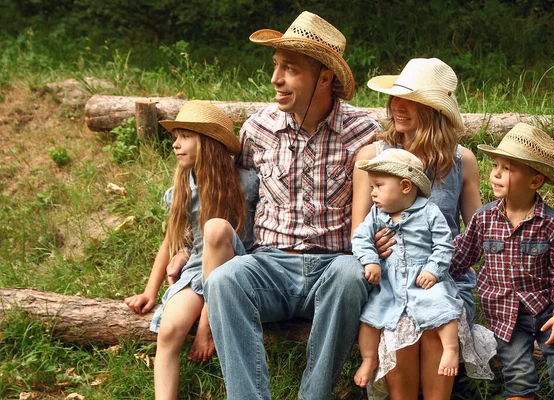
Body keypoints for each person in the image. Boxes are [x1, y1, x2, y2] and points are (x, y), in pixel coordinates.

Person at [203, 11, 380, 400]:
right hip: (268, 264)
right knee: (223, 280)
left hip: (334, 267)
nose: (275, 79)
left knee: (351, 274)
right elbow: (238, 195)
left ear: (324, 77)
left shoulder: (363, 132)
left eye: (290, 69)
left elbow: (385, 203)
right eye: (276, 66)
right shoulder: (257, 128)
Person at [352, 57, 496, 399]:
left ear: (435, 109)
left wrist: (442, 265)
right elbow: (360, 228)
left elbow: (478, 233)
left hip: (442, 276)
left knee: (435, 320)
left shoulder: (462, 160)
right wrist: (378, 250)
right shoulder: (373, 156)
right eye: (396, 97)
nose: (398, 107)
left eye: (412, 101)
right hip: (389, 276)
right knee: (399, 322)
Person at [124, 100, 258, 400]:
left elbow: (243, 245)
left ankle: (207, 328)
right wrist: (149, 290)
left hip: (235, 268)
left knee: (216, 233)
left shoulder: (246, 184)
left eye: (185, 137)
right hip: (197, 272)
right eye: (176, 137)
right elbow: (169, 241)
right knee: (169, 330)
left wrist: (204, 323)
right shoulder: (183, 189)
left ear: (209, 143)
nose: (175, 144)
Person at [451, 123, 554, 400]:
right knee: (518, 374)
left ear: (535, 181)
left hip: (547, 311)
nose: (497, 173)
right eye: (496, 165)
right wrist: (431, 266)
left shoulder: (551, 224)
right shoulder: (483, 219)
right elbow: (460, 257)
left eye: (508, 168)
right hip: (505, 316)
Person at [352, 148, 463, 389]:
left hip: (423, 278)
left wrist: (433, 269)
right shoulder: (376, 214)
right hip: (389, 282)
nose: (372, 193)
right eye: (371, 187)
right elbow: (361, 238)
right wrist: (370, 260)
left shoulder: (429, 211)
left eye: (378, 186)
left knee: (443, 306)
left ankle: (451, 349)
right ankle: (369, 358)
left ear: (405, 186)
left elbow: (444, 244)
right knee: (370, 316)